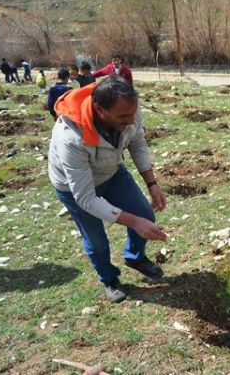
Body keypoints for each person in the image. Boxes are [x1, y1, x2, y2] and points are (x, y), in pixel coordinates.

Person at [48, 76, 167, 303]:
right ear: (99, 110)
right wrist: (132, 222)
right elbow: (85, 198)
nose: (130, 120)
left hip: (112, 173)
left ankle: (134, 257)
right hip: (75, 190)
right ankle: (109, 278)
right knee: (97, 241)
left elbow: (137, 142)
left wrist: (152, 184)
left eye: (132, 114)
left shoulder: (128, 108)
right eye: (123, 117)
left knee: (145, 214)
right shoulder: (71, 137)